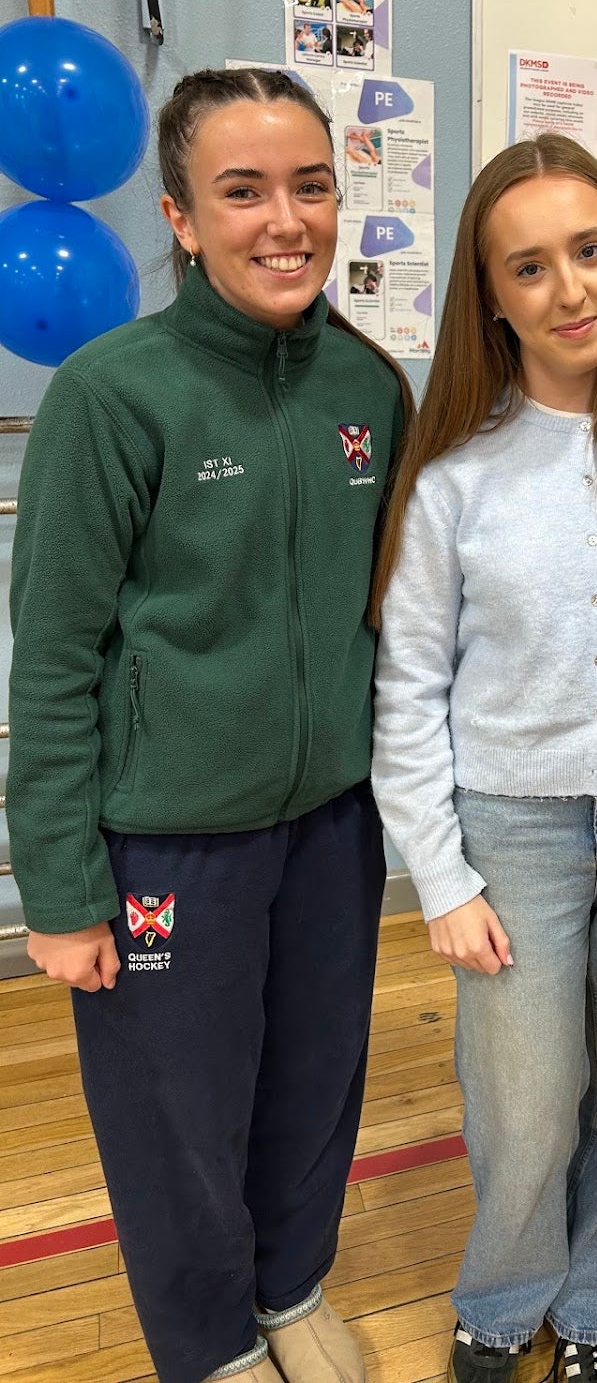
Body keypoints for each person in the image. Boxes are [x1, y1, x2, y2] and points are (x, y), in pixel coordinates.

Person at [8, 67, 413, 1383]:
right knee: (175, 1119)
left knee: (312, 1086)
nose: (283, 219)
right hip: (166, 844)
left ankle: (290, 1286)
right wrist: (60, 891)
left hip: (330, 827)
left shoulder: (369, 386)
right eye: (242, 191)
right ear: (181, 217)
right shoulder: (110, 396)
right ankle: (209, 1344)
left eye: (309, 186)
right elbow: (55, 656)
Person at [369, 133, 597, 1383]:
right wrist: (443, 876)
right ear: (493, 296)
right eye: (532, 267)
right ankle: (504, 1292)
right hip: (508, 836)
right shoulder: (454, 481)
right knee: (527, 1103)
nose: (571, 289)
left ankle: (595, 1311)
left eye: (590, 252)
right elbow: (408, 692)